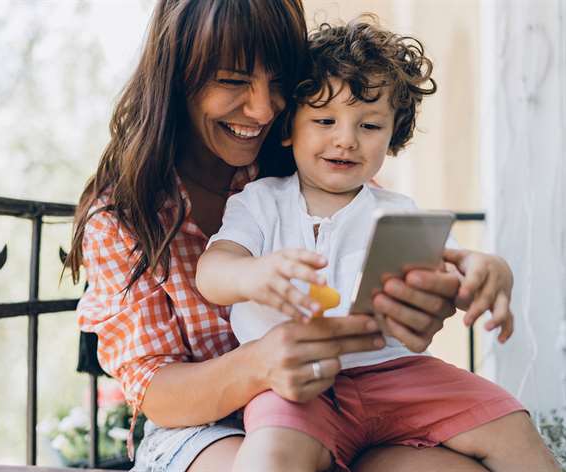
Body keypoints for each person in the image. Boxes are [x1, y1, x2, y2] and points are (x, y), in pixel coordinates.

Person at [68, 1, 487, 470]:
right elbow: (156, 393)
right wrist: (261, 363)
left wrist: (420, 305)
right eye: (233, 80)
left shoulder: (315, 158)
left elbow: (377, 284)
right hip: (202, 427)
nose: (263, 109)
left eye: (279, 82)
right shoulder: (124, 215)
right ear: (176, 77)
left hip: (339, 405)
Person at [196, 16, 558, 472]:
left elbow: (452, 269)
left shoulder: (398, 210)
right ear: (288, 128)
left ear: (393, 134)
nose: (346, 140)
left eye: (369, 126)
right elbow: (212, 270)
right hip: (296, 382)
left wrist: (490, 271)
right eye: (325, 120)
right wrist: (253, 274)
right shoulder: (261, 201)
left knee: (511, 422)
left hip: (397, 374)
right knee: (267, 460)